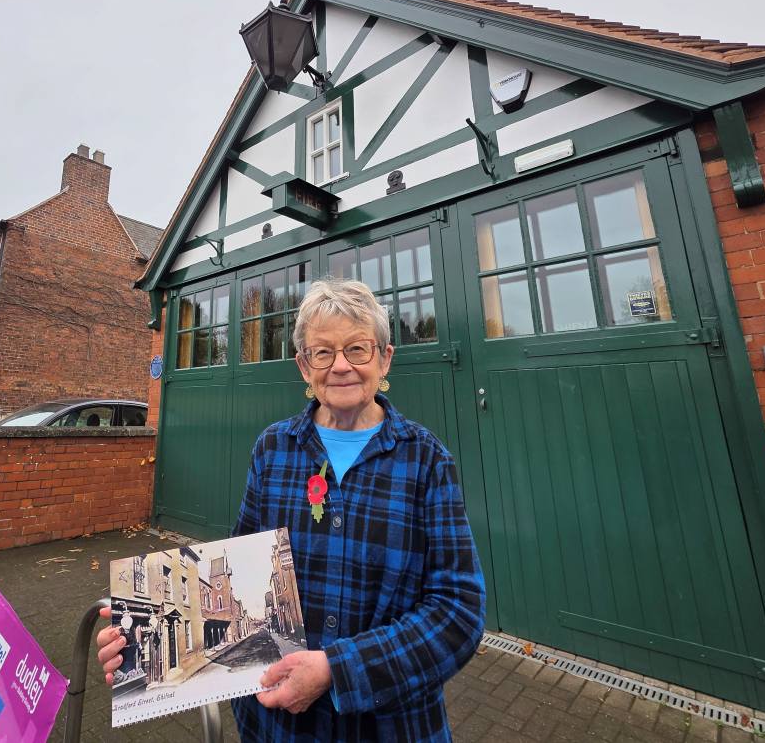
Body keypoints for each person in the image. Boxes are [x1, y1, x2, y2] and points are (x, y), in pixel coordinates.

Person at [98, 277, 485, 740]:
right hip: (276, 724)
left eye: (358, 350)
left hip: (390, 728)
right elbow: (238, 570)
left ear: (385, 358)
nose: (340, 366)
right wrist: (137, 643)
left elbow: (458, 611)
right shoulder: (274, 449)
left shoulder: (427, 460)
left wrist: (339, 671)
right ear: (304, 366)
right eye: (323, 353)